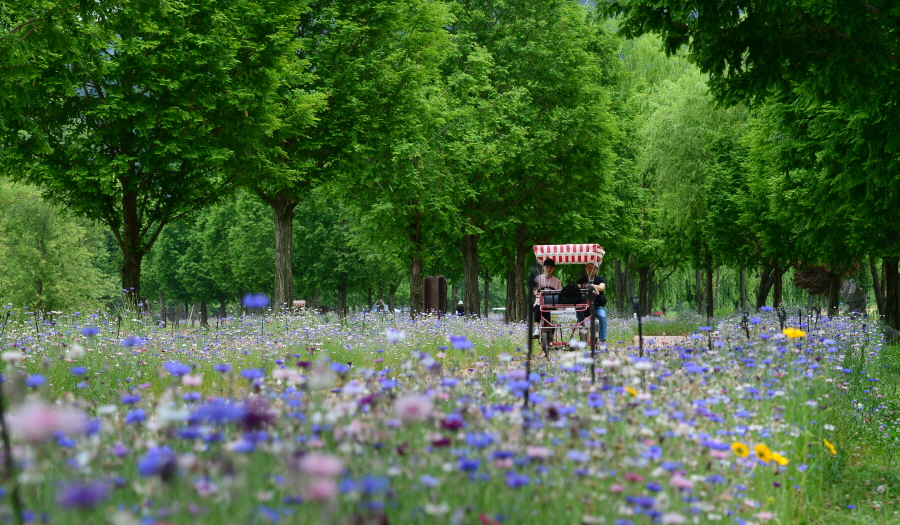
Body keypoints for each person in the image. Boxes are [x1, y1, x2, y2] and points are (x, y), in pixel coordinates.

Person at [576, 261, 607, 343]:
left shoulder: (600, 279)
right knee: (578, 310)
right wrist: (582, 286)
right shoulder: (582, 279)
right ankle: (582, 330)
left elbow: (601, 288)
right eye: (589, 268)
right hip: (585, 306)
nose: (590, 270)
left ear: (597, 270)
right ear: (586, 269)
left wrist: (591, 285)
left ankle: (602, 339)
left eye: (593, 268)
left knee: (602, 316)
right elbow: (577, 286)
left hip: (597, 306)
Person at [533, 258, 562, 338]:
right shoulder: (538, 279)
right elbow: (534, 290)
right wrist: (536, 292)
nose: (549, 269)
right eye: (547, 267)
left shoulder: (557, 281)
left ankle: (551, 335)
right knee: (538, 308)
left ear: (553, 269)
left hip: (552, 303)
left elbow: (560, 293)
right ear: (543, 267)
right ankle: (537, 328)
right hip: (540, 302)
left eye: (551, 267)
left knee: (553, 314)